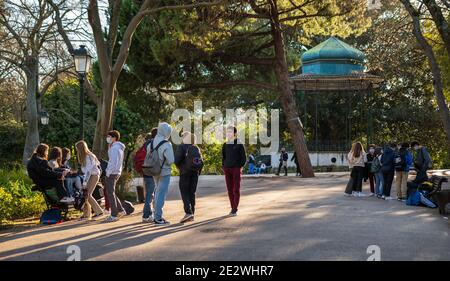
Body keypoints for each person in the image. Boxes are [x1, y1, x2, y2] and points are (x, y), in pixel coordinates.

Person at [175, 131, 202, 223]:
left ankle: (188, 212)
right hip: (195, 173)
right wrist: (198, 172)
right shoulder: (196, 148)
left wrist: (180, 168)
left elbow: (177, 160)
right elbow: (201, 162)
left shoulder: (181, 147)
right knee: (192, 193)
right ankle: (192, 214)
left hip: (184, 173)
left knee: (184, 192)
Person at [152, 122, 175, 225]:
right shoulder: (166, 143)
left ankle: (155, 214)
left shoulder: (152, 141)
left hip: (153, 169)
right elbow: (171, 160)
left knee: (157, 191)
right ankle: (158, 217)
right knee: (161, 193)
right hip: (164, 171)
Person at [76, 140, 103, 220]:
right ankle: (87, 214)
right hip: (91, 176)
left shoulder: (88, 156)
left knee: (88, 195)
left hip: (93, 175)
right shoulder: (86, 156)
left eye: (77, 149)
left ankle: (99, 212)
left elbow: (88, 171)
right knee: (86, 195)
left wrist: (84, 182)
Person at [222, 126, 246, 216]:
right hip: (227, 169)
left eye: (230, 132)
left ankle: (235, 209)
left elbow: (244, 158)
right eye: (227, 132)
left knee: (236, 189)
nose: (228, 134)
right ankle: (232, 207)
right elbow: (223, 157)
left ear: (235, 134)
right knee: (229, 190)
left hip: (236, 168)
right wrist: (224, 166)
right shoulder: (225, 145)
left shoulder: (239, 143)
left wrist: (240, 166)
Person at [104, 130, 127, 223]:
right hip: (117, 172)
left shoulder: (114, 148)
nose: (108, 138)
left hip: (112, 172)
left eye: (109, 136)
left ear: (114, 138)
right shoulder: (117, 147)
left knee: (110, 193)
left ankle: (114, 214)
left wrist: (107, 173)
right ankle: (121, 210)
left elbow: (113, 162)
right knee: (111, 192)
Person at [141, 127, 158, 223]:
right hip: (152, 171)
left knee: (149, 193)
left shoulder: (146, 143)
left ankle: (149, 214)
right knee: (150, 194)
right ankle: (146, 215)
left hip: (145, 170)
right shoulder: (154, 144)